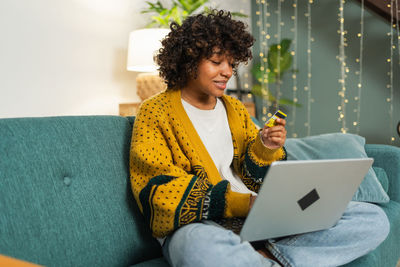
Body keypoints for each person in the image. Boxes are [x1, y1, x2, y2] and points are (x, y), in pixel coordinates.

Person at [129, 10, 389, 267]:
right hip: (202, 225)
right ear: (189, 59)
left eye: (231, 64)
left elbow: (255, 180)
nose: (227, 72)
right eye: (217, 62)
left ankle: (271, 257)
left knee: (371, 218)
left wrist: (265, 148)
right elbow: (158, 191)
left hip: (258, 220)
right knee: (197, 248)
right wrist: (242, 203)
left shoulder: (235, 109)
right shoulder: (155, 111)